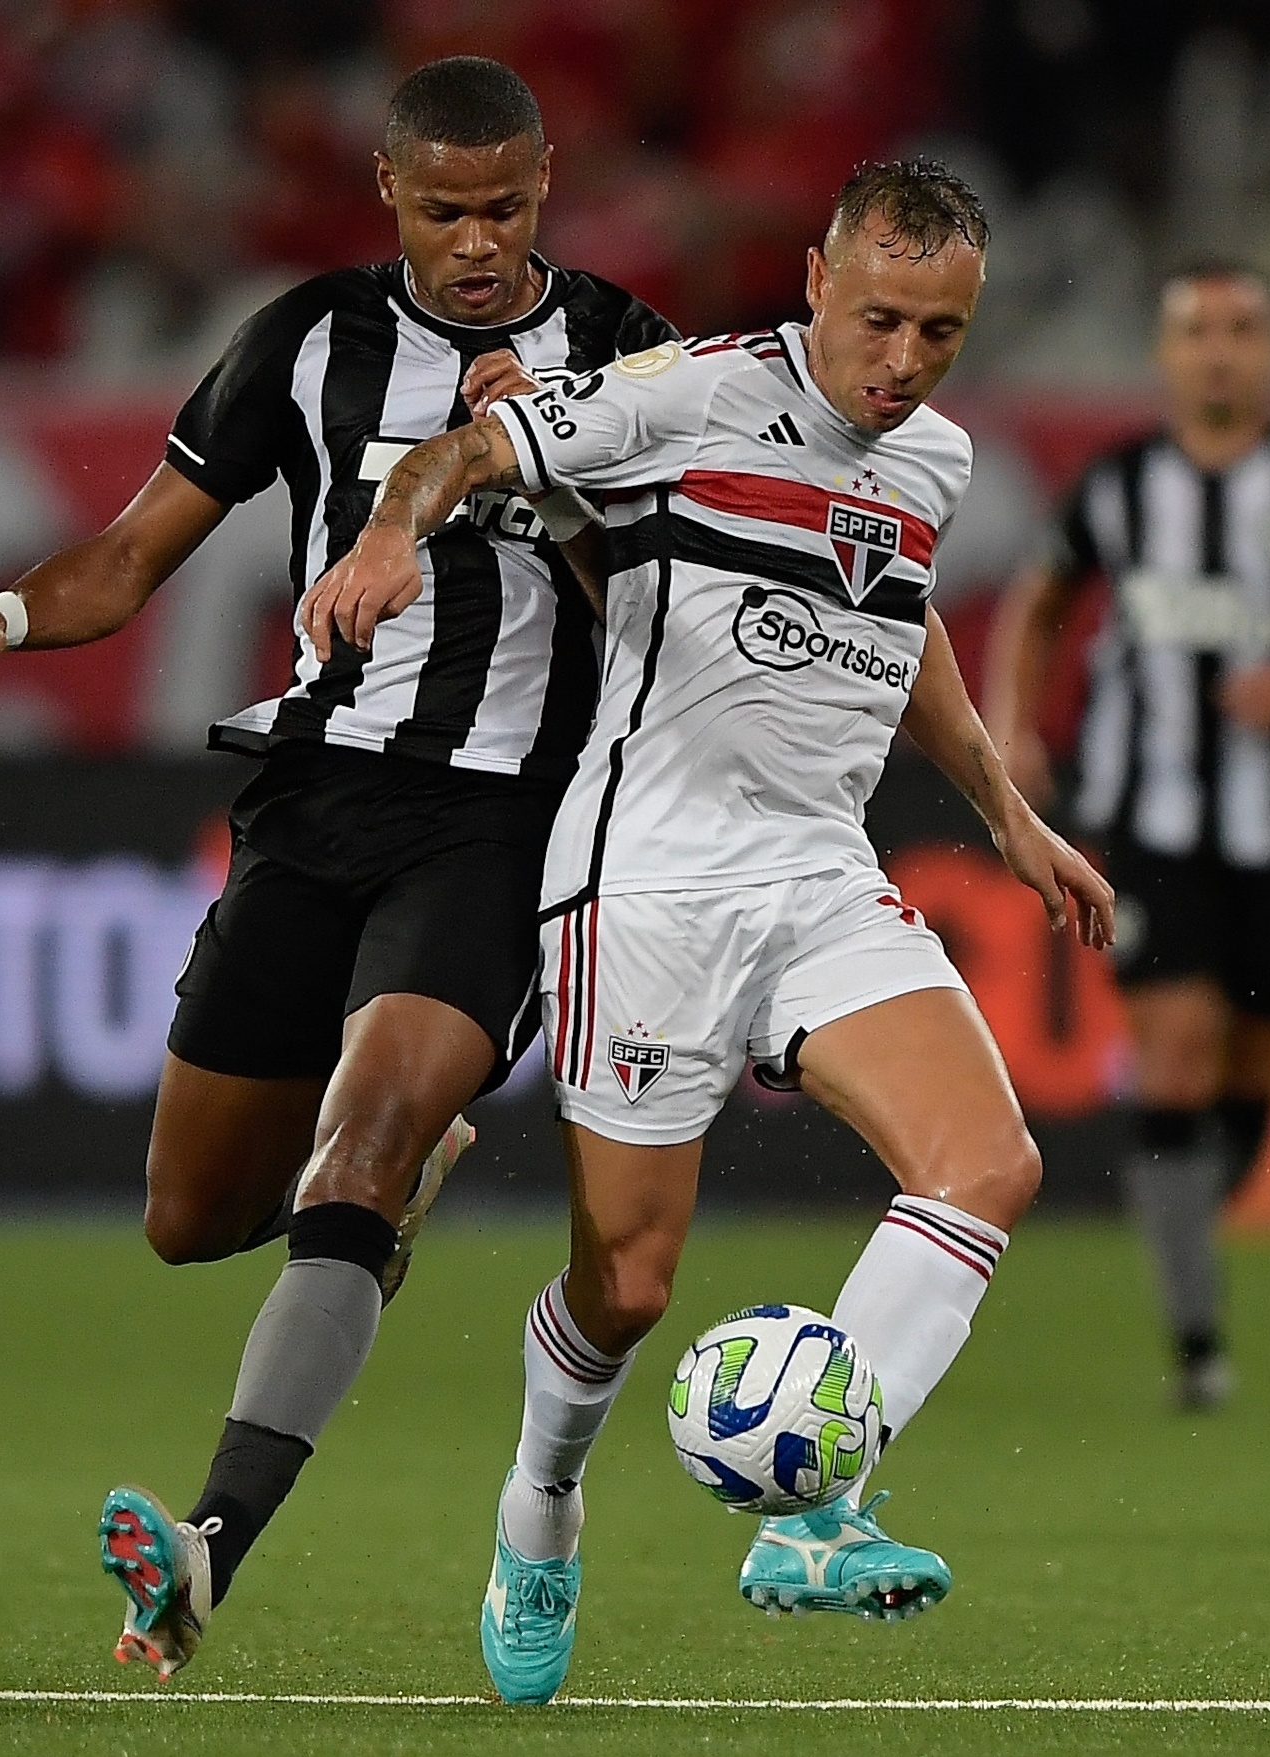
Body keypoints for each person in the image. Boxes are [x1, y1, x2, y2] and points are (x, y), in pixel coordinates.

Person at [0, 56, 674, 1679]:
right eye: (447, 211)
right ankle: (381, 1196)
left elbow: (658, 604)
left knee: (355, 1154)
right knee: (190, 1211)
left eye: (504, 208)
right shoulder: (305, 341)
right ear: (389, 193)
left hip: (500, 820)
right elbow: (133, 555)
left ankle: (204, 1553)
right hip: (309, 799)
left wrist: (544, 460)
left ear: (546, 182)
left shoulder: (622, 356)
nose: (480, 242)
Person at [302, 157, 1117, 1706]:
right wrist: (392, 533)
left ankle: (813, 1517)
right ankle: (540, 1504)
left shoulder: (928, 460)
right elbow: (475, 447)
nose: (901, 364)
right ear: (814, 273)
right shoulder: (684, 397)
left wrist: (1007, 817)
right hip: (647, 880)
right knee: (627, 1286)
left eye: (939, 334)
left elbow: (904, 615)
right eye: (878, 319)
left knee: (989, 1163)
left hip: (817, 874)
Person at [985, 261, 1270, 1409]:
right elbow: (1037, 600)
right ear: (1165, 353)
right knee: (1175, 1046)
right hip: (1149, 816)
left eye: (1241, 328)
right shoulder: (1119, 485)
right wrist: (1010, 735)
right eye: (1196, 330)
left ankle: (1184, 1217)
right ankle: (1196, 1343)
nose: (1219, 349)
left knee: (1249, 1083)